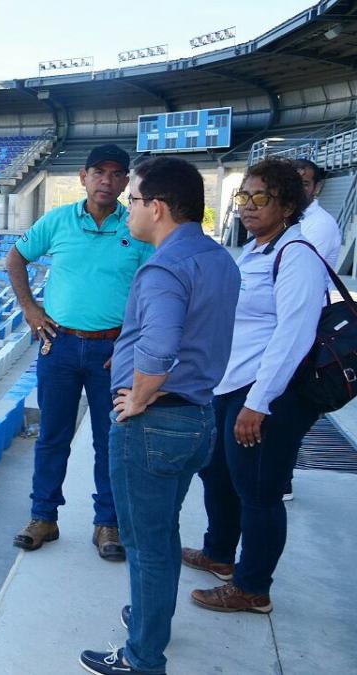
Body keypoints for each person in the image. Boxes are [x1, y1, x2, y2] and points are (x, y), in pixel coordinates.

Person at [79, 157, 240, 675]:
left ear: (159, 207)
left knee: (147, 546)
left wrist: (140, 394)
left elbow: (163, 345)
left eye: (134, 201)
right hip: (197, 416)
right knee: (163, 534)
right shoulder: (217, 258)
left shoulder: (164, 265)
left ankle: (142, 658)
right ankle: (150, 619)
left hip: (156, 424)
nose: (128, 210)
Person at [183, 158, 326, 614]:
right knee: (217, 473)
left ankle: (253, 587)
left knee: (259, 491)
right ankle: (220, 555)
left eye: (259, 197)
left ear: (287, 204)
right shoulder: (259, 250)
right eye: (242, 197)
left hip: (265, 393)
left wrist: (259, 403)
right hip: (231, 384)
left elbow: (294, 335)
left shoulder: (297, 254)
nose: (247, 206)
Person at [6, 144, 153, 561]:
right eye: (98, 172)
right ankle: (43, 517)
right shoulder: (57, 221)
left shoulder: (138, 228)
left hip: (113, 350)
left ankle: (107, 524)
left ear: (126, 182)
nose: (107, 180)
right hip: (61, 345)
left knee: (112, 440)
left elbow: (155, 287)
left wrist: (134, 340)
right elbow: (14, 258)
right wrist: (31, 309)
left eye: (116, 173)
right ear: (84, 177)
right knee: (52, 436)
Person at [282, 158, 339, 501]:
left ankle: (282, 478)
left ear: (316, 188)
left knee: (289, 404)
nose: (297, 188)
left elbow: (294, 280)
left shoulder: (318, 225)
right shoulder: (292, 220)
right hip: (290, 325)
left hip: (305, 327)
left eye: (304, 182)